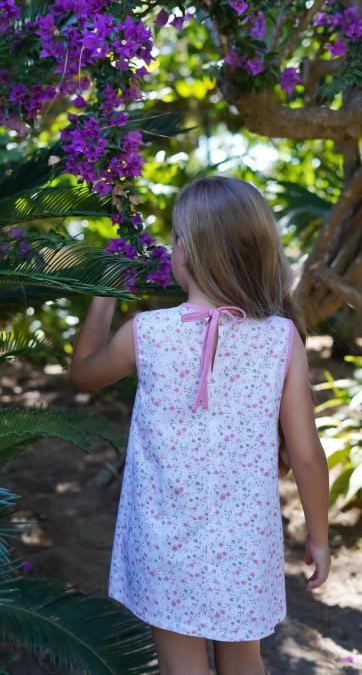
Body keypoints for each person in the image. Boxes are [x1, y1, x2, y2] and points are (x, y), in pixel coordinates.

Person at [70, 176, 331, 675]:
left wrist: (103, 295)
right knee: (243, 661)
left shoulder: (145, 333)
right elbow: (305, 454)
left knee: (181, 666)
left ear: (187, 252)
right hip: (245, 543)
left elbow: (84, 375)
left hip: (163, 541)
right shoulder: (281, 339)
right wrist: (318, 535)